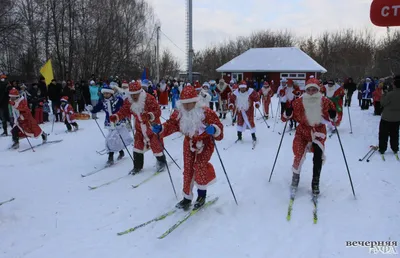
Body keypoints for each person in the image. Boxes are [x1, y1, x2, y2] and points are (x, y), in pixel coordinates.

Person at [151, 86, 224, 210]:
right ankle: (187, 197)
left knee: (200, 165)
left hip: (205, 143)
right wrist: (161, 128)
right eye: (184, 104)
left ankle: (202, 195)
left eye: (189, 103)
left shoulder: (207, 112)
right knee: (188, 168)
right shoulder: (179, 113)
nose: (187, 106)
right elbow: (171, 125)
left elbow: (220, 131)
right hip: (189, 142)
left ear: (196, 101)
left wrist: (215, 129)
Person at [282, 78, 336, 195]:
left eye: (314, 89)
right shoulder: (299, 101)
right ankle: (295, 178)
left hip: (318, 132)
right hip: (302, 131)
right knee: (298, 154)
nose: (311, 92)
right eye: (309, 89)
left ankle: (315, 182)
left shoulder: (325, 101)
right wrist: (288, 112)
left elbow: (332, 115)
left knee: (318, 157)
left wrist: (333, 115)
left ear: (318, 90)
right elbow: (288, 115)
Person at [110, 81, 167, 173]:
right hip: (139, 128)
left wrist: (149, 116)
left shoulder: (149, 98)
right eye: (132, 95)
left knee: (156, 145)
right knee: (137, 146)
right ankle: (137, 166)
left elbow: (158, 111)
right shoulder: (129, 101)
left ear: (140, 92)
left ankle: (161, 162)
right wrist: (116, 116)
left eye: (136, 94)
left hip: (152, 127)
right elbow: (124, 111)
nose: (134, 97)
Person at [87, 84, 133, 165]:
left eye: (107, 93)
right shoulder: (102, 102)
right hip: (109, 123)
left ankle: (110, 158)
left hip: (119, 122)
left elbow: (125, 107)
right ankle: (121, 151)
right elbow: (96, 108)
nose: (105, 95)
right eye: (104, 93)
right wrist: (91, 109)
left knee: (110, 140)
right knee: (114, 139)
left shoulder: (118, 100)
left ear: (111, 93)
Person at [378, 75, 400, 156]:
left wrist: (383, 95)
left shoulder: (390, 94)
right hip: (397, 118)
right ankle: (395, 148)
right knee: (395, 134)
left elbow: (383, 103)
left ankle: (382, 148)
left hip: (387, 117)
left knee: (383, 134)